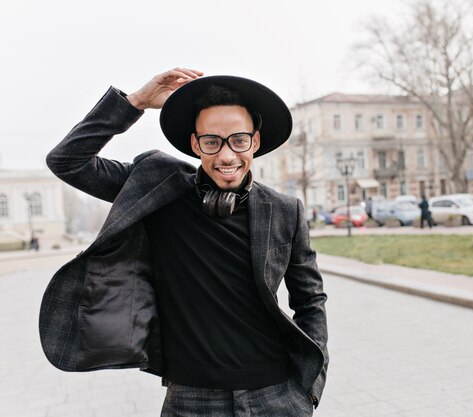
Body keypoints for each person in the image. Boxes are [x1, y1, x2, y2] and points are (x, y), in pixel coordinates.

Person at [39, 68, 328, 417]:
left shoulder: (285, 211)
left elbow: (311, 301)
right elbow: (67, 161)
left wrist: (308, 390)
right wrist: (136, 102)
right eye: (211, 141)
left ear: (254, 141)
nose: (225, 155)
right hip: (191, 398)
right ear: (195, 144)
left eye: (238, 140)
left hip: (276, 395)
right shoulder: (159, 189)